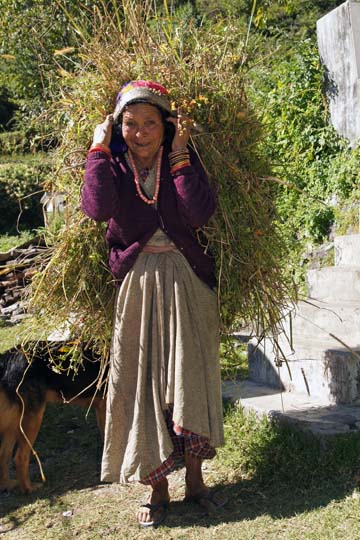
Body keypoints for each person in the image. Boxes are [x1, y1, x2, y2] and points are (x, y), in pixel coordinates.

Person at [81, 80, 225, 527]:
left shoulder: (183, 160)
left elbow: (199, 214)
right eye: (130, 123)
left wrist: (181, 153)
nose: (140, 133)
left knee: (189, 374)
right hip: (137, 284)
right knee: (142, 383)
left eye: (149, 123)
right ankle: (157, 489)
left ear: (165, 126)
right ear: (117, 125)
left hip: (186, 279)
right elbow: (96, 209)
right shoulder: (114, 165)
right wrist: (98, 149)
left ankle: (196, 481)